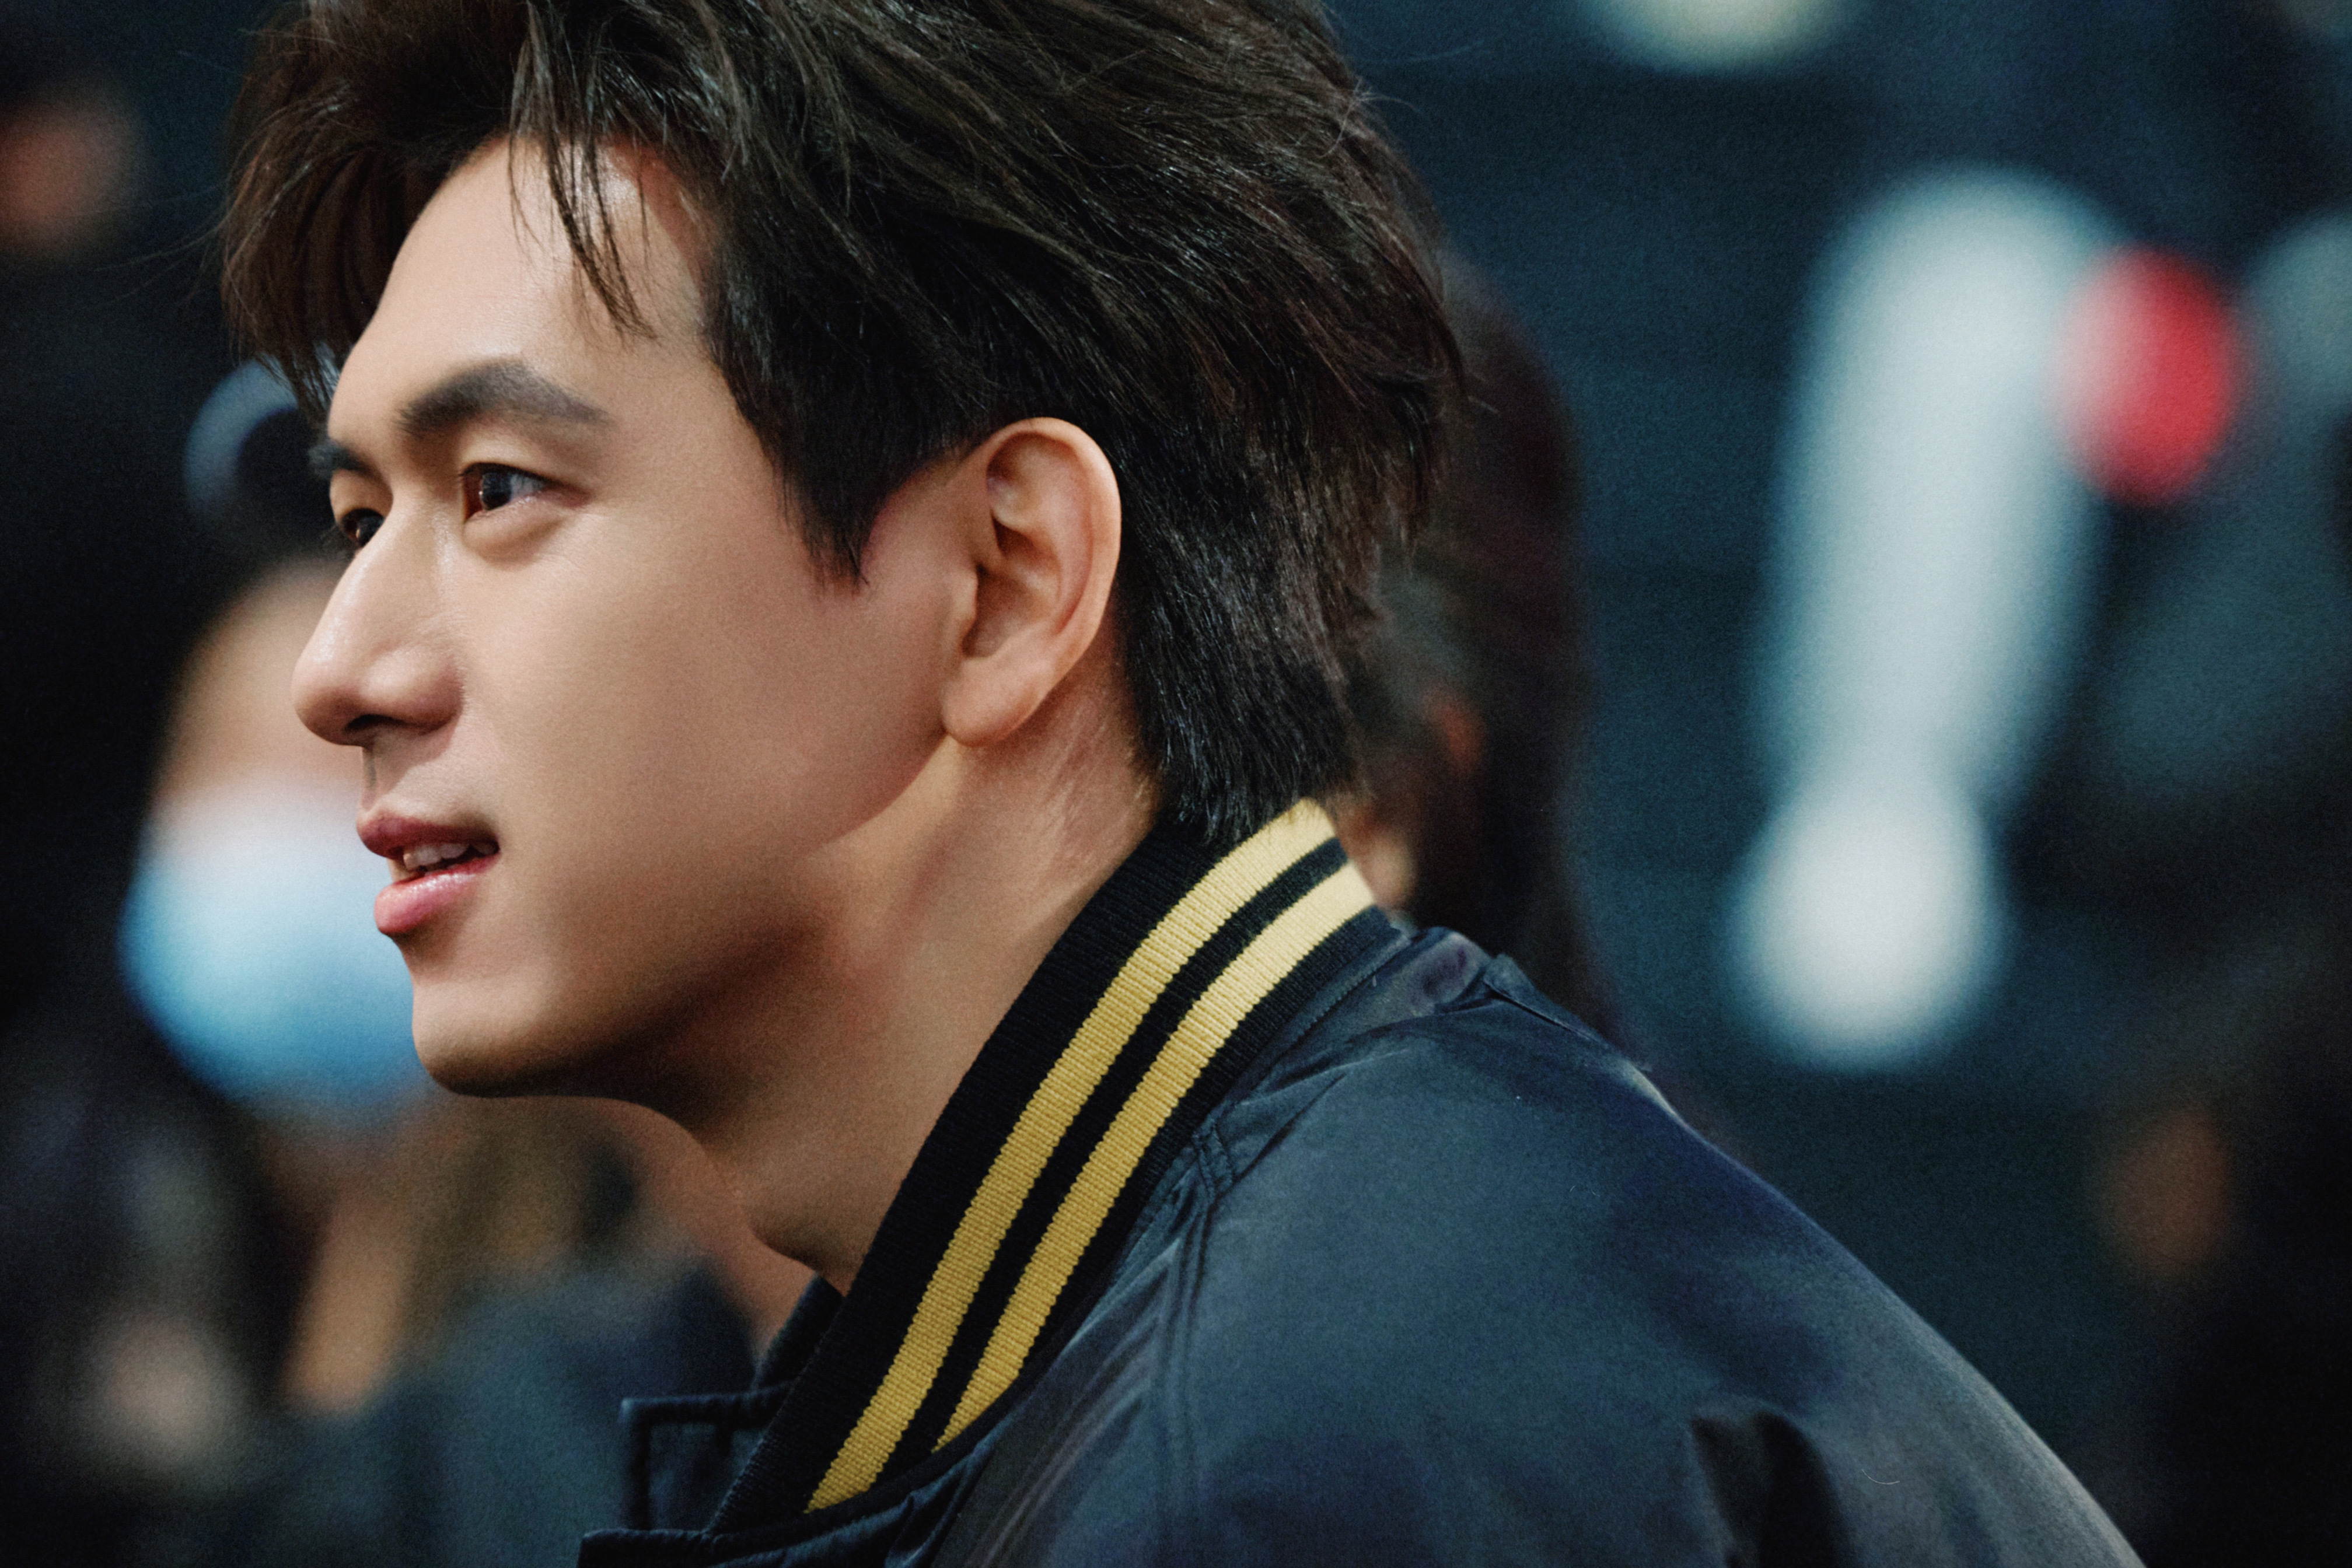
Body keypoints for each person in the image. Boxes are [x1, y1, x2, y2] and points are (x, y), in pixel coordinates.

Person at [217, 2, 2140, 1563]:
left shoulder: (1297, 1467)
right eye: (359, 514)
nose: (342, 670)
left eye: (500, 492)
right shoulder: (1280, 1296)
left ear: (1007, 581)